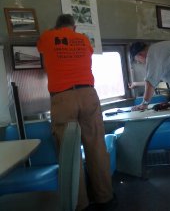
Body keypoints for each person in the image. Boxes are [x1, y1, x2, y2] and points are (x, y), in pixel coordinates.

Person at [37, 14, 117, 211]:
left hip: (62, 98)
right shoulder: (82, 39)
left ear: (57, 26)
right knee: (96, 146)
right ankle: (104, 196)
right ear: (73, 26)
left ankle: (79, 203)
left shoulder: (48, 37)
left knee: (69, 151)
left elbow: (40, 47)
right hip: (88, 94)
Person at [129, 40, 170, 165]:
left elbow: (150, 80)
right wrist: (137, 84)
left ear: (140, 55)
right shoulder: (161, 49)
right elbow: (155, 79)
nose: (141, 63)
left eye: (139, 61)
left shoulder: (153, 53)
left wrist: (144, 103)